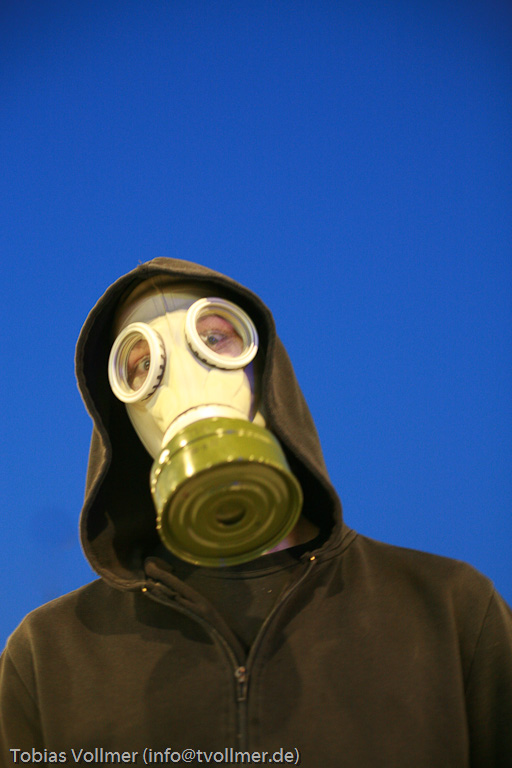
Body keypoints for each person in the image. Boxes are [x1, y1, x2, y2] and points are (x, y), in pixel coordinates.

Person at [1, 257, 511, 768]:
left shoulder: (451, 613)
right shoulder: (48, 659)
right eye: (141, 366)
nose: (185, 386)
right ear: (122, 413)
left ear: (265, 367)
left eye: (214, 339)